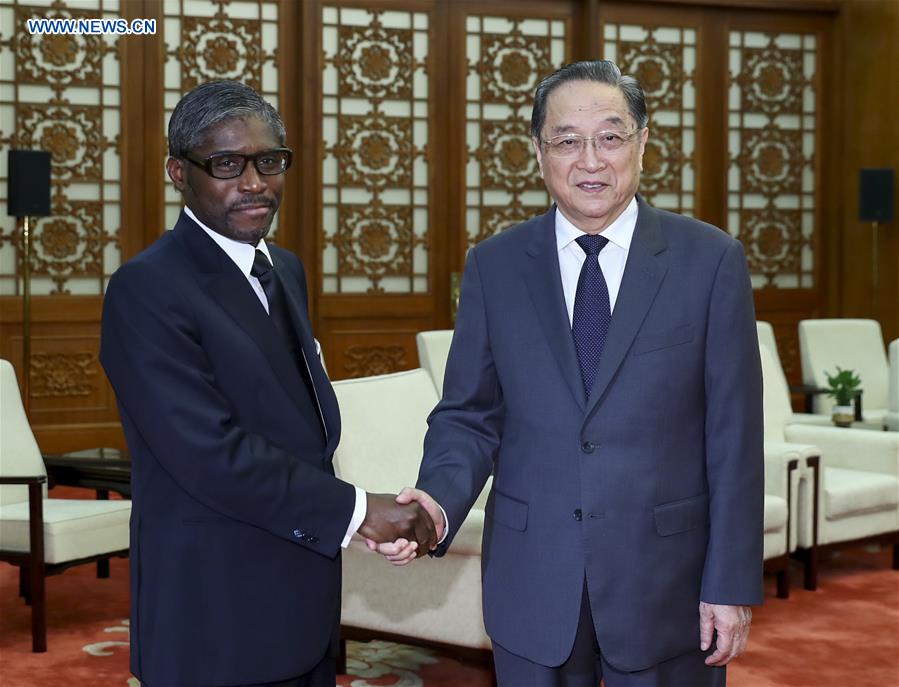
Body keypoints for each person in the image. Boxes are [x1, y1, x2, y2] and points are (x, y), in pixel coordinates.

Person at [378, 60, 764, 686]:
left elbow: (734, 437)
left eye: (610, 137)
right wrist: (438, 505)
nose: (590, 160)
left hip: (667, 581)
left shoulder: (710, 261)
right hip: (533, 576)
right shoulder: (495, 266)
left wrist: (731, 582)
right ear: (538, 152)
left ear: (642, 143)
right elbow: (470, 415)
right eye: (566, 140)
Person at [100, 80, 437, 687]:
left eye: (269, 161)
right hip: (214, 609)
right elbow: (209, 453)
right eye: (227, 164)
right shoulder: (146, 289)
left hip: (302, 590)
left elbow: (299, 421)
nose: (254, 182)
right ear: (179, 172)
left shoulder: (284, 268)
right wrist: (359, 510)